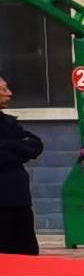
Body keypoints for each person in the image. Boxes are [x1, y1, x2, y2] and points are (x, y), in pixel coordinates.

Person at [0, 71, 42, 256]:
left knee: (25, 254)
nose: (9, 93)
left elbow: (35, 145)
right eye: (3, 90)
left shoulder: (9, 123)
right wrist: (17, 149)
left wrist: (8, 145)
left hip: (19, 201)